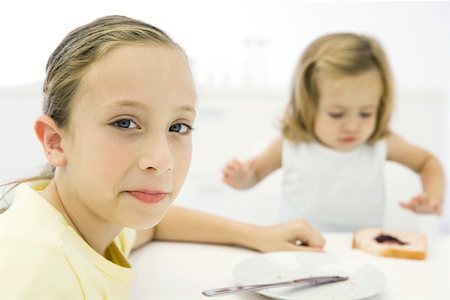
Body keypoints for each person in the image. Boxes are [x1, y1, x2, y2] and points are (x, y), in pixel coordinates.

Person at [0, 15, 325, 299]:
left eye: (178, 126)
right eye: (124, 123)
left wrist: (257, 235)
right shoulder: (40, 272)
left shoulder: (98, 217)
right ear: (56, 142)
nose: (162, 159)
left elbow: (153, 226)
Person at [223, 33, 445, 232]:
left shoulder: (379, 142)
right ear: (309, 105)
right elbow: (256, 175)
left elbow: (428, 162)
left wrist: (432, 197)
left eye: (366, 113)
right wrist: (243, 179)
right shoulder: (291, 142)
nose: (352, 126)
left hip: (360, 248)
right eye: (337, 114)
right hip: (298, 246)